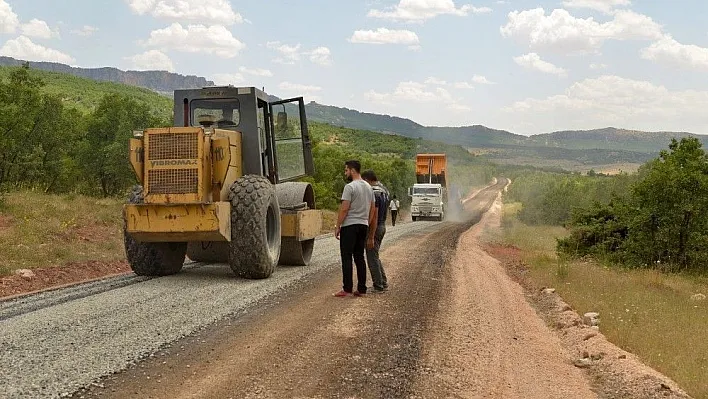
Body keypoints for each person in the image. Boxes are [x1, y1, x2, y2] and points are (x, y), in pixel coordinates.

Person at [334, 160, 376, 298]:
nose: (345, 173)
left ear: (352, 170)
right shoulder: (369, 187)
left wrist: (338, 225)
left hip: (350, 225)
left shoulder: (350, 187)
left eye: (346, 170)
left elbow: (344, 208)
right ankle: (362, 289)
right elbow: (372, 208)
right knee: (359, 257)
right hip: (363, 225)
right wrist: (367, 222)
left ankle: (347, 288)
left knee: (346, 256)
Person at [362, 170, 390, 293]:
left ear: (367, 180)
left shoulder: (374, 192)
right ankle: (383, 281)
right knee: (375, 255)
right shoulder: (384, 190)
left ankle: (378, 285)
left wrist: (370, 236)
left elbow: (374, 215)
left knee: (371, 257)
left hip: (376, 226)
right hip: (382, 225)